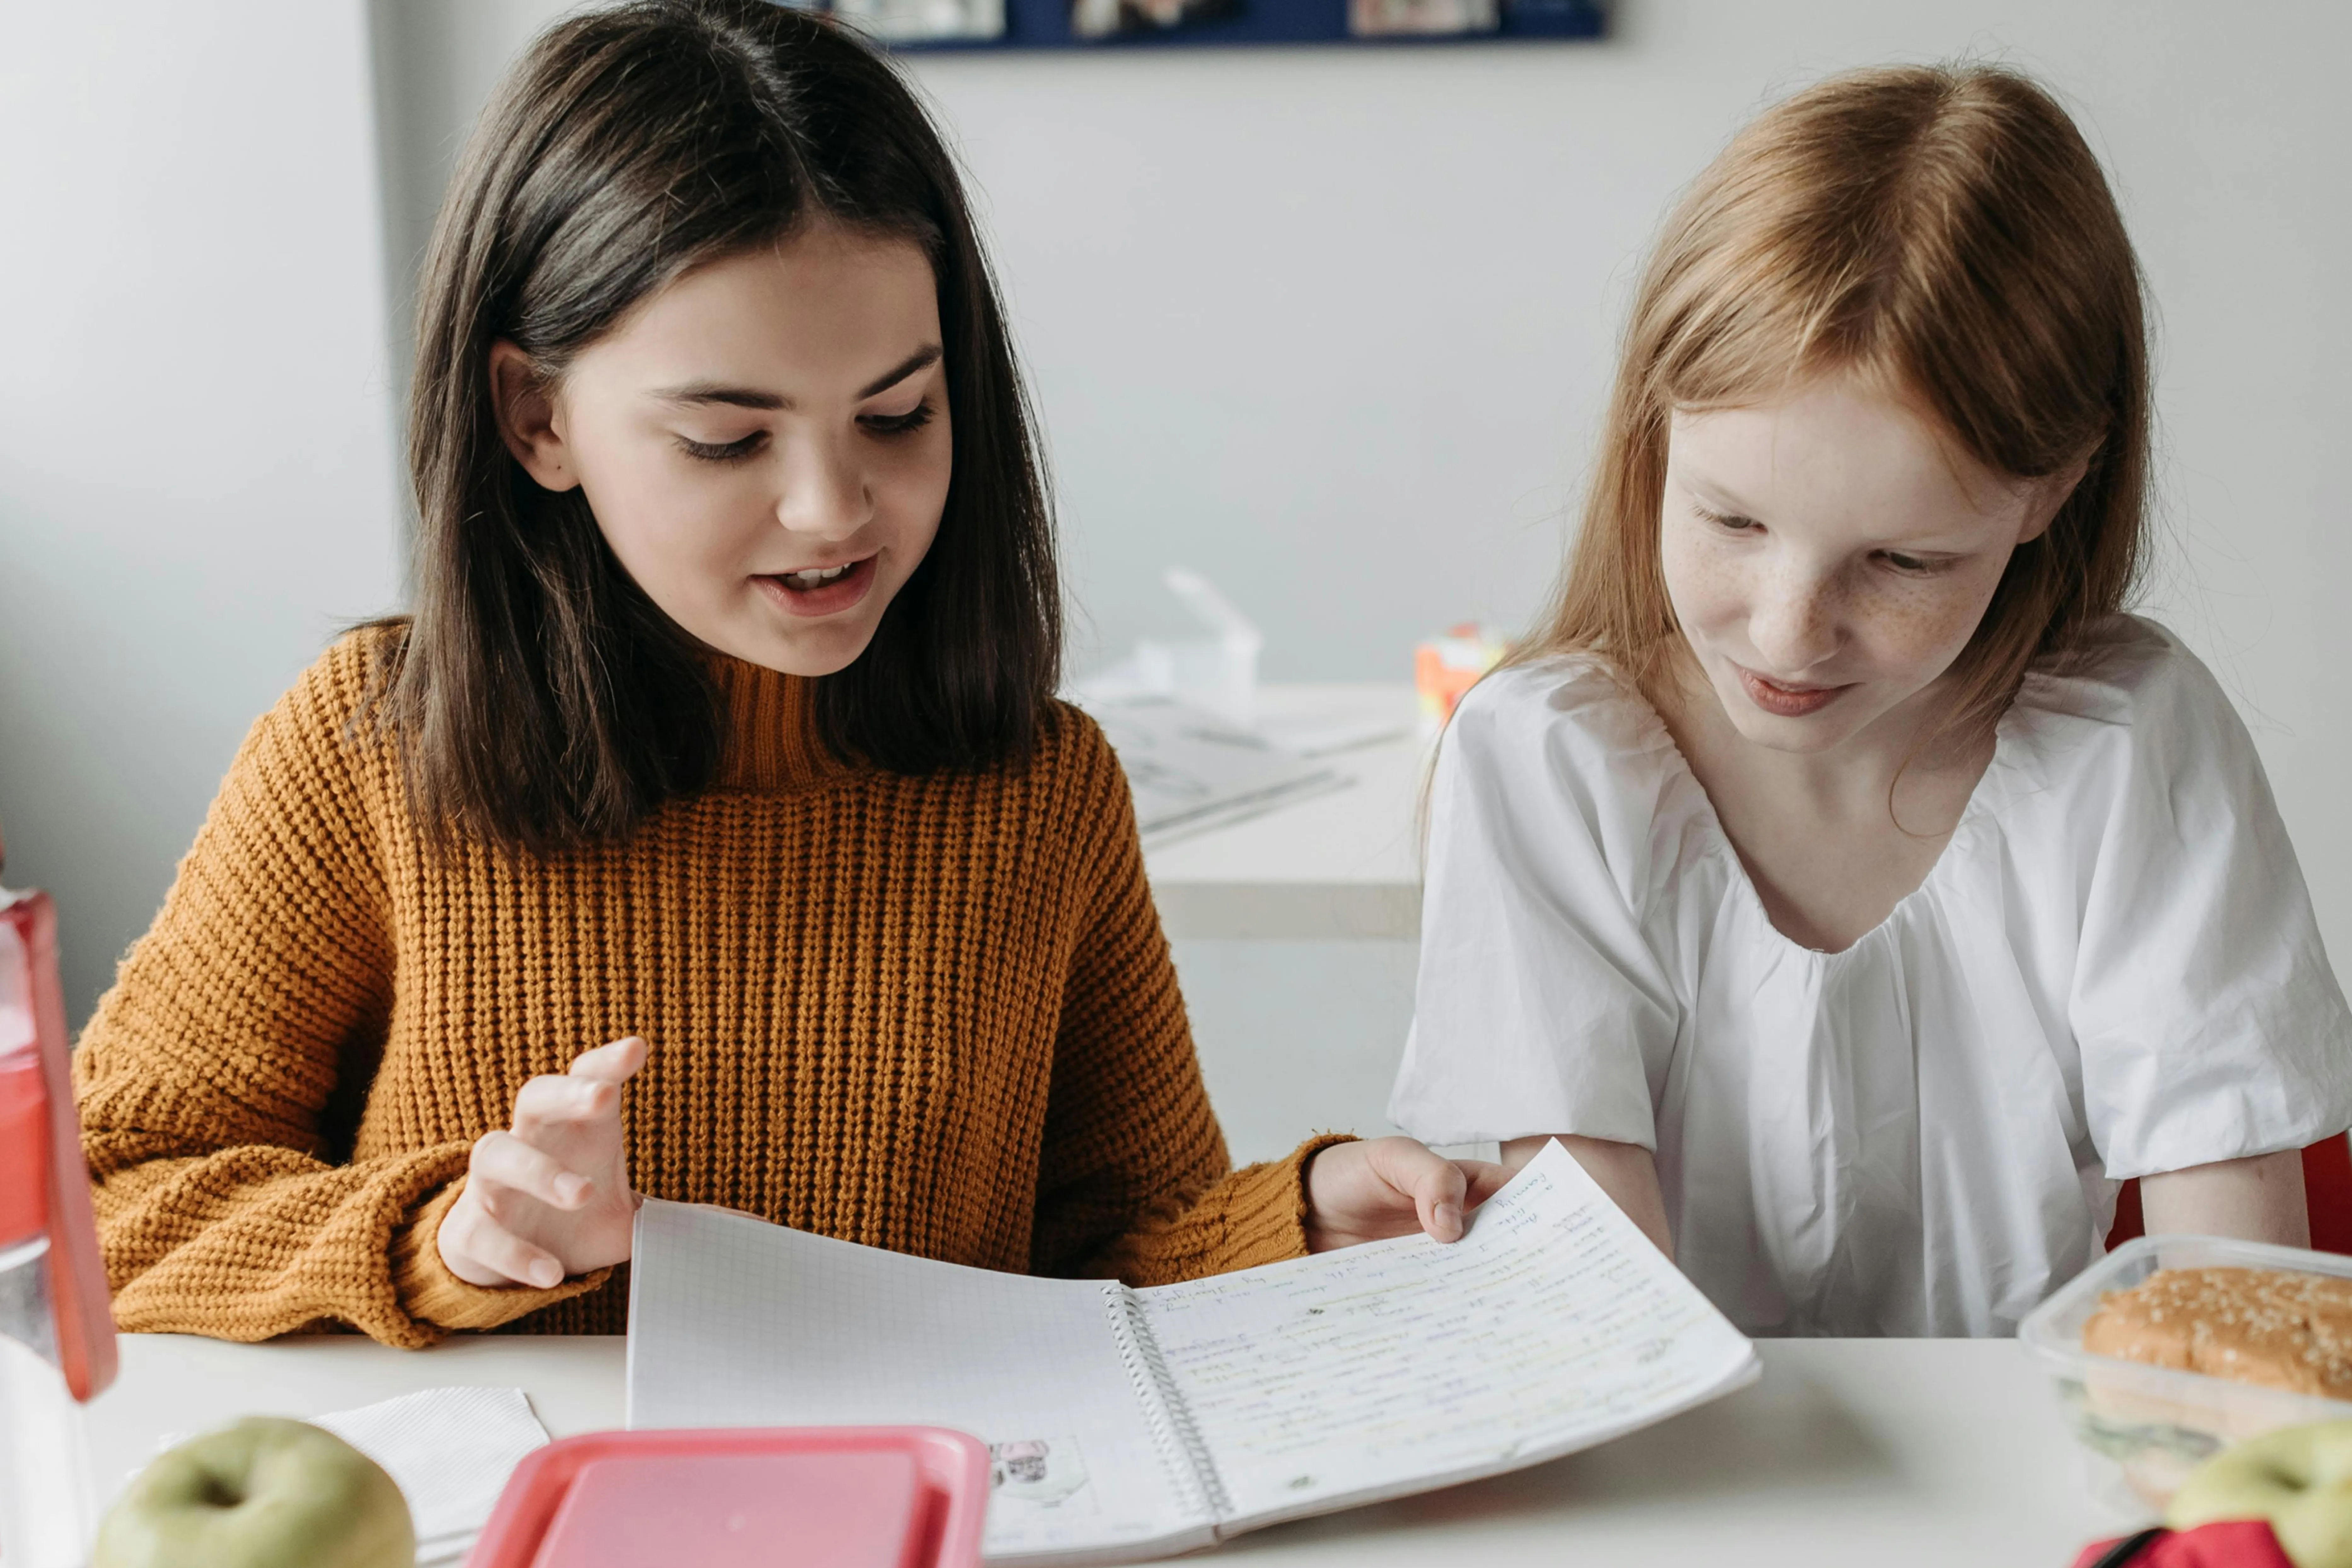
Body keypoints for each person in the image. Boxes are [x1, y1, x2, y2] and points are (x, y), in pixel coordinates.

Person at [73, 0, 1499, 1348]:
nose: (833, 507)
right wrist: (444, 1239)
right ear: (534, 417)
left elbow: (1115, 1240)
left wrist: (1297, 1219)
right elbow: (102, 1198)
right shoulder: (371, 747)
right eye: (726, 439)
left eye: (898, 414)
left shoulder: (1039, 786)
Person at [1390, 64, 2352, 1337]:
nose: (1788, 630)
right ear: (1652, 436)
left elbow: (2227, 1309)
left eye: (1901, 562)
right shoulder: (1545, 760)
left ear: (2051, 491)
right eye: (1730, 519)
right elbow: (1590, 1320)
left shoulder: (2130, 746)